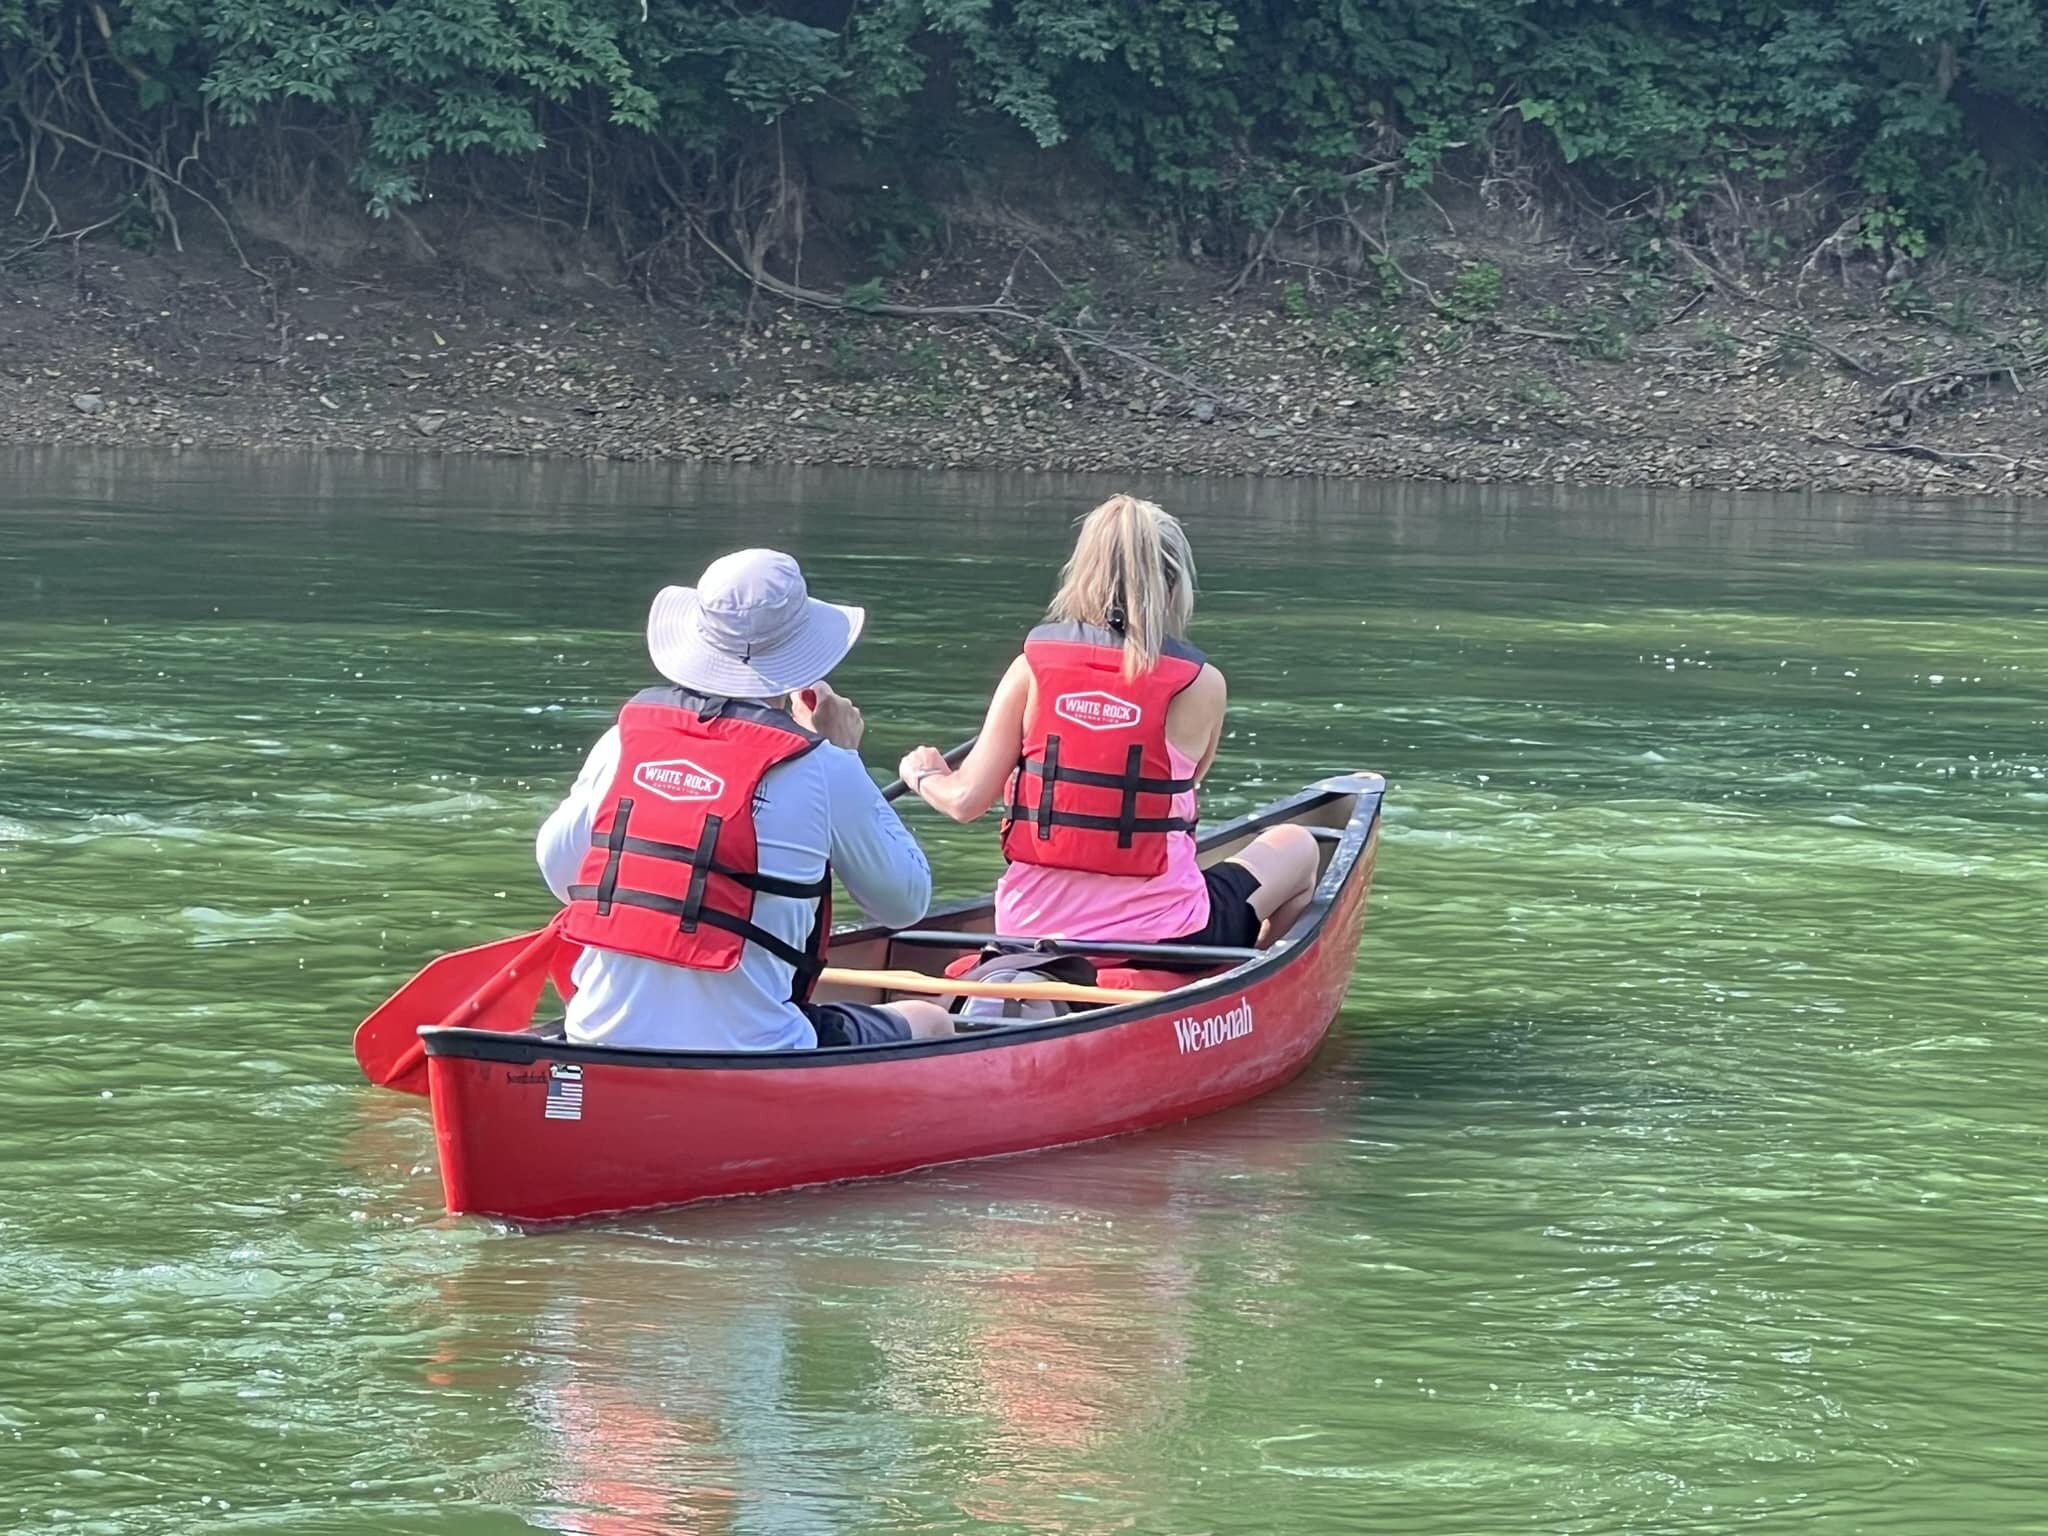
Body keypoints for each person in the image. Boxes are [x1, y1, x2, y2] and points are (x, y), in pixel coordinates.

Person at [536, 548, 954, 1050]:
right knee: (932, 1022)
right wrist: (847, 758)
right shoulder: (824, 767)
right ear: (801, 664)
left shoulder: (624, 740)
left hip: (597, 1036)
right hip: (755, 1049)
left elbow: (562, 877)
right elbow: (904, 905)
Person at [895, 494, 1318, 949]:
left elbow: (964, 802)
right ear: (1173, 584)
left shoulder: (1032, 668)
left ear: (1083, 575)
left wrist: (922, 775)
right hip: (1166, 934)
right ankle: (1240, 981)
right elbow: (1187, 786)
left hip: (1027, 930)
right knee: (1299, 846)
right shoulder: (1200, 683)